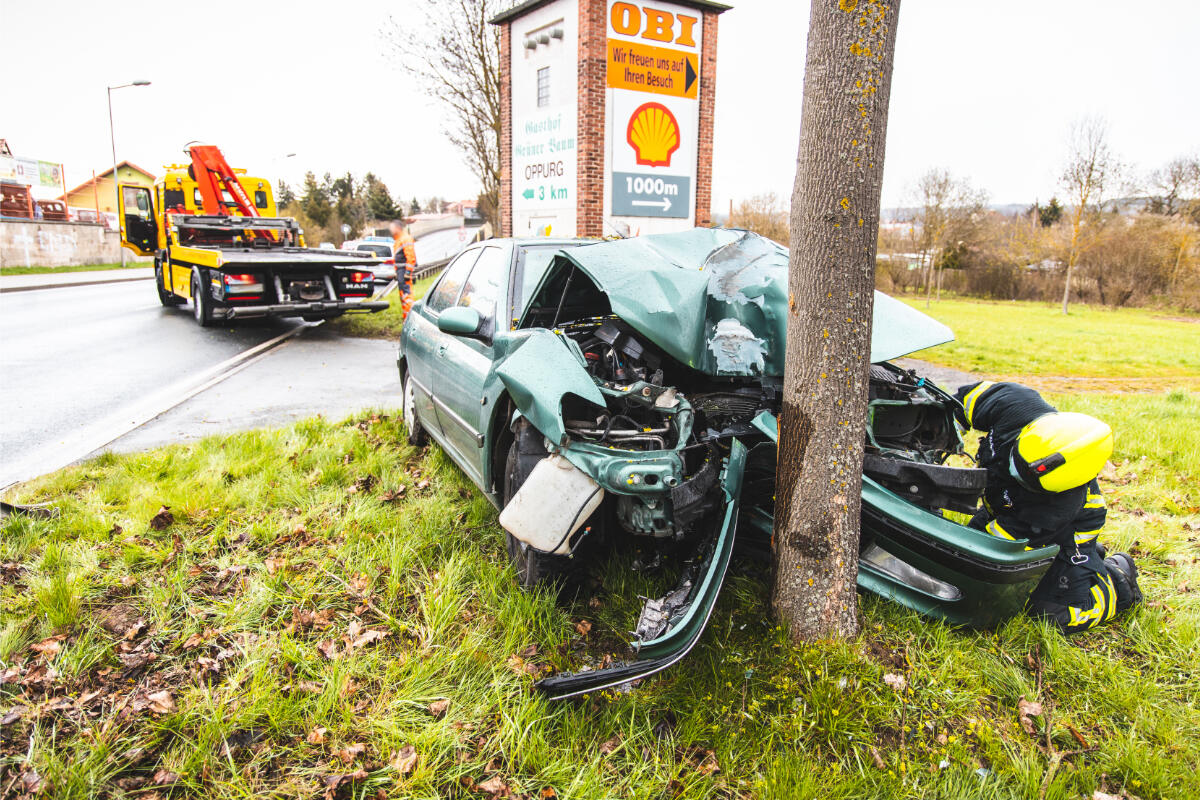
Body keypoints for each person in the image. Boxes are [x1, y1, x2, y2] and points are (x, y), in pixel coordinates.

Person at [954, 381, 1142, 633]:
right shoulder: (1017, 405)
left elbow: (1004, 543)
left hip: (1060, 537)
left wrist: (966, 561)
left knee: (1054, 616)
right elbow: (962, 401)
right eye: (1017, 461)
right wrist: (945, 426)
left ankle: (1114, 580)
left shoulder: (1059, 506)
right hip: (1001, 507)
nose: (1015, 472)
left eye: (1028, 481)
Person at [390, 220, 417, 319]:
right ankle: (406, 317)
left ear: (397, 228)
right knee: (403, 295)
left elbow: (411, 257)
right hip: (400, 271)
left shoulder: (405, 239)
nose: (391, 230)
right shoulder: (399, 239)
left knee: (407, 295)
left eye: (392, 227)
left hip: (404, 271)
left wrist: (407, 273)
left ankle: (409, 318)